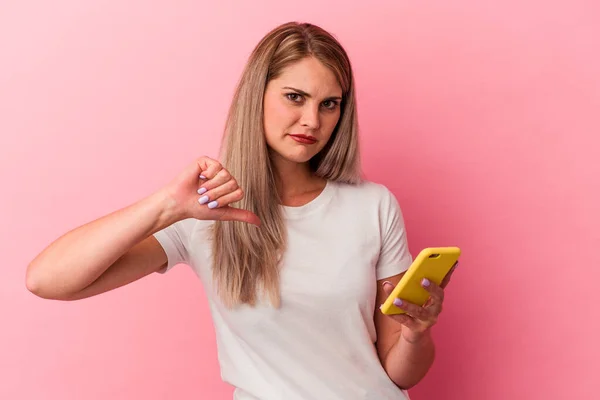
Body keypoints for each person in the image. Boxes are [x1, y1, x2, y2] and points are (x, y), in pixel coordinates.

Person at [26, 21, 455, 400]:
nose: (312, 120)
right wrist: (167, 206)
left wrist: (417, 334)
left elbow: (399, 375)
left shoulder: (373, 206)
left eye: (329, 104)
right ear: (258, 96)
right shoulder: (203, 212)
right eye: (294, 97)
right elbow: (47, 280)